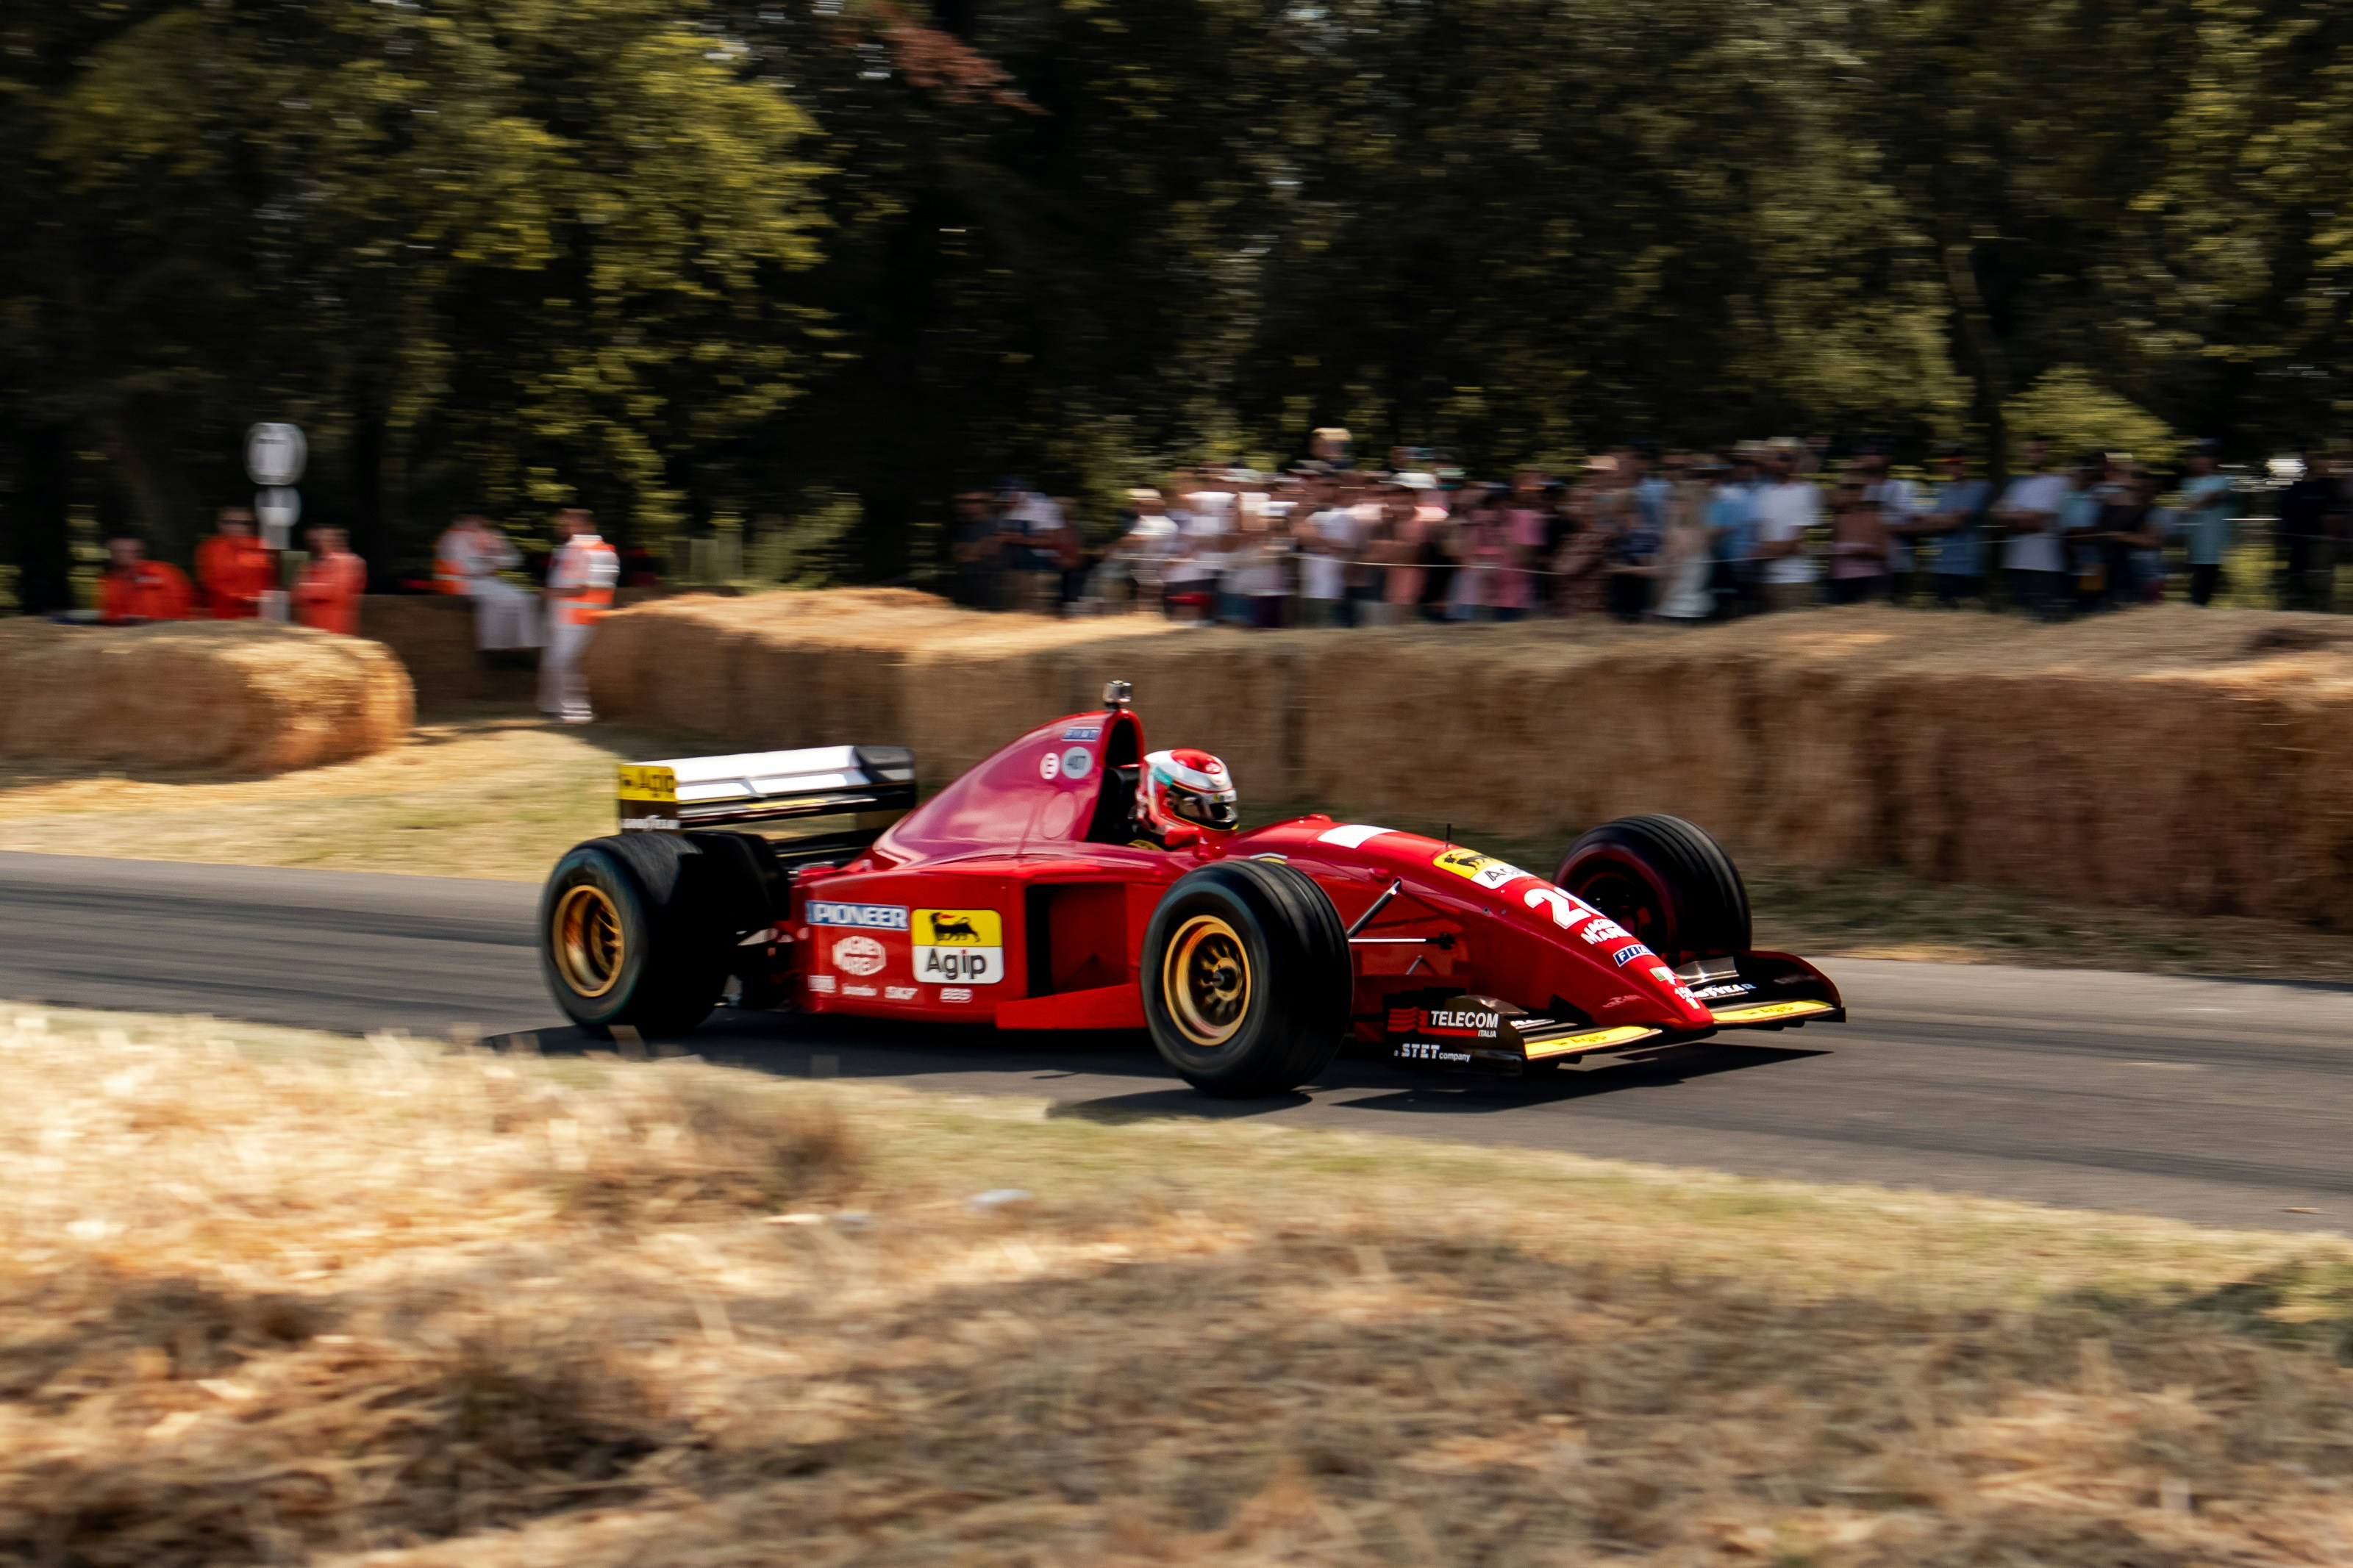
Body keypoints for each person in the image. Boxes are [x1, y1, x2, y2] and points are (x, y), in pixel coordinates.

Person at [540, 507, 619, 723]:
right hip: (565, 617)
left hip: (582, 619)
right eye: (563, 524)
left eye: (569, 524)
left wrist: (550, 593)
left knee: (567, 664)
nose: (563, 528)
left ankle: (575, 711)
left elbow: (584, 588)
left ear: (586, 526)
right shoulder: (571, 550)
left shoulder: (596, 552)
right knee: (556, 663)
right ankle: (554, 706)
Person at [432, 513, 541, 651]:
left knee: (523, 599)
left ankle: (520, 644)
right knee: (500, 600)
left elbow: (513, 558)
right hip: (460, 583)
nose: (478, 522)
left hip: (485, 580)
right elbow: (466, 567)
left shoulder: (489, 534)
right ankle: (497, 645)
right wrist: (491, 563)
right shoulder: (454, 537)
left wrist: (492, 560)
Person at [1992, 434, 2070, 618]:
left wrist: (2012, 517)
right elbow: (1997, 518)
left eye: (2039, 450)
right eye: (2029, 451)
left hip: (2045, 567)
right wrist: (2023, 517)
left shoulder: (2058, 482)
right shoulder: (2017, 486)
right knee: (2019, 621)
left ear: (2049, 454)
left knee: (2042, 622)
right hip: (2016, 565)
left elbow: (2037, 522)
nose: (2033, 455)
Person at [1903, 444, 1988, 609]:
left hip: (1968, 569)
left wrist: (1930, 518)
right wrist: (1938, 520)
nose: (1955, 467)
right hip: (1942, 567)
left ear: (1966, 464)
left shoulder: (1980, 488)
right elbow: (1932, 525)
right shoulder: (1943, 492)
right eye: (1950, 463)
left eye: (1958, 462)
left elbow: (1956, 522)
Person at [1752, 445, 1821, 612]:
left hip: (1795, 580)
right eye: (1775, 457)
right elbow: (1759, 537)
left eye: (1785, 457)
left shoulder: (1808, 492)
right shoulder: (1761, 493)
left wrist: (1763, 552)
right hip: (1765, 580)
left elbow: (1798, 541)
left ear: (1796, 462)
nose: (1779, 462)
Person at [1126, 748, 1240, 850]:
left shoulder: (1234, 851)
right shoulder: (1139, 855)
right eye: (1193, 808)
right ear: (1168, 802)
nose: (1220, 815)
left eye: (1221, 807)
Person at [2177, 440, 2238, 606]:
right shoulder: (2186, 483)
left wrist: (2198, 504)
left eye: (2205, 456)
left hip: (2212, 548)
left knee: (2201, 589)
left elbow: (2217, 496)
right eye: (2196, 456)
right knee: (2197, 589)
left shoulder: (2224, 481)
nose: (2199, 461)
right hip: (2193, 546)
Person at [196, 508, 274, 620]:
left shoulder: (263, 546)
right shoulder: (210, 548)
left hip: (259, 617)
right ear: (220, 525)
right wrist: (248, 597)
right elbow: (213, 583)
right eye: (231, 522)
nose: (238, 527)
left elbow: (270, 582)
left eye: (245, 523)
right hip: (223, 616)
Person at [96, 536, 195, 624]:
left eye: (130, 551)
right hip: (127, 633)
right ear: (112, 554)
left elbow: (183, 604)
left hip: (168, 630)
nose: (124, 555)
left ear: (139, 553)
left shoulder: (162, 573)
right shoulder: (109, 582)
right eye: (119, 551)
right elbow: (110, 616)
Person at [293, 526, 366, 635]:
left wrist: (305, 587)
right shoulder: (317, 563)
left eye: (323, 539)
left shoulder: (346, 561)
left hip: (334, 628)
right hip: (315, 628)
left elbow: (336, 590)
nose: (318, 543)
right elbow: (295, 595)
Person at [1824, 480, 1888, 604]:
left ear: (1863, 492)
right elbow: (1831, 552)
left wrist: (1862, 551)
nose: (1851, 493)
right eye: (1847, 488)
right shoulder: (1837, 519)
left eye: (1855, 488)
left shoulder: (1875, 518)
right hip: (1839, 581)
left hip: (1867, 581)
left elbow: (1884, 552)